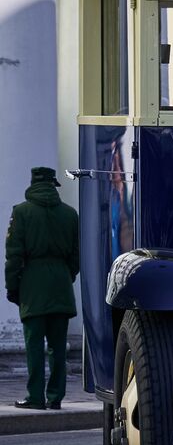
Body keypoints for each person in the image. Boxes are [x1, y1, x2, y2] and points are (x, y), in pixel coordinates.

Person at [5, 167, 80, 411]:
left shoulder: (21, 212)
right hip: (60, 284)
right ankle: (55, 397)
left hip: (32, 284)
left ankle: (35, 396)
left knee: (34, 345)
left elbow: (13, 256)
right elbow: (76, 256)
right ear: (53, 185)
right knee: (58, 346)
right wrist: (65, 276)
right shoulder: (70, 214)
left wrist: (13, 287)